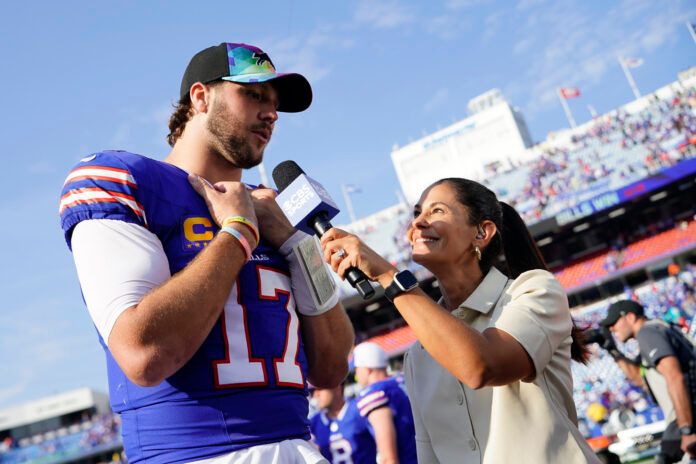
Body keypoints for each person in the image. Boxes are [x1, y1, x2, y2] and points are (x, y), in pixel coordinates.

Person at [58, 42, 354, 463]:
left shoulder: (273, 210)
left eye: (274, 104)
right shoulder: (125, 179)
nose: (270, 113)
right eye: (253, 94)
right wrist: (236, 233)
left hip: (300, 447)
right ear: (200, 97)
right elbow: (144, 353)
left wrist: (299, 245)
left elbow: (331, 368)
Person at [319, 177, 600, 463]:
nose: (417, 223)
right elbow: (429, 455)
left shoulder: (534, 291)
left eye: (436, 211)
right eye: (417, 213)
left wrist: (389, 276)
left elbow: (483, 366)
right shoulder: (418, 357)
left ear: (482, 232)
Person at [600, 299, 696, 463]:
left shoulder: (647, 333)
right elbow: (639, 378)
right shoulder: (656, 328)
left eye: (614, 323)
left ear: (630, 317)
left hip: (688, 416)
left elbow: (675, 377)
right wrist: (612, 350)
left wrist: (687, 430)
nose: (611, 328)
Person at [352, 342, 417, 464]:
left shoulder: (375, 393)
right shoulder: (402, 380)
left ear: (367, 370)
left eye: (357, 370)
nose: (356, 375)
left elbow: (389, 458)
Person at [310, 384, 377, 464]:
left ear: (337, 386)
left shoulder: (359, 409)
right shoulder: (314, 423)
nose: (316, 394)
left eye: (320, 389)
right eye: (312, 391)